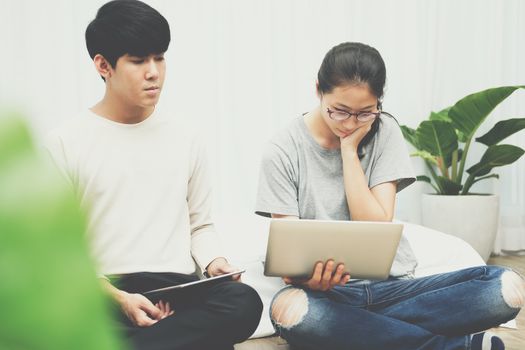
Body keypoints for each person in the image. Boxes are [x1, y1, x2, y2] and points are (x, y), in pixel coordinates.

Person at [255, 42, 524, 350]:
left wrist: (348, 151)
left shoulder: (385, 130)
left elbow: (373, 224)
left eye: (365, 113)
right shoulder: (281, 151)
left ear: (378, 103)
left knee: (503, 287)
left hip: (394, 288)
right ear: (318, 90)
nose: (351, 123)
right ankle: (448, 346)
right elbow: (291, 261)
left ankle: (363, 333)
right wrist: (310, 280)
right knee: (294, 312)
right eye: (340, 111)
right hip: (326, 297)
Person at [45, 1, 262, 349]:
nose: (154, 72)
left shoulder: (187, 136)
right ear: (103, 65)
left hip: (176, 289)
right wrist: (118, 298)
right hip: (104, 292)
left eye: (159, 58)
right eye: (138, 60)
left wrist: (215, 262)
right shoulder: (64, 143)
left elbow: (200, 224)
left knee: (244, 302)